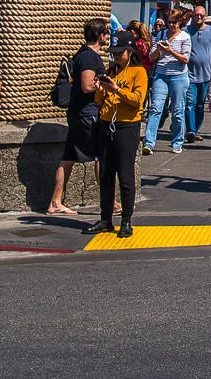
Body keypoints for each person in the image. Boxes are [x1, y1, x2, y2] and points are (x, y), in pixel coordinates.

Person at [50, 20, 108, 216]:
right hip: (88, 114)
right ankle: (110, 201)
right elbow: (87, 86)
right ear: (101, 36)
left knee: (68, 157)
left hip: (77, 113)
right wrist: (107, 86)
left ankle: (55, 201)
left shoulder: (81, 54)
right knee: (102, 156)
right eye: (106, 34)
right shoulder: (90, 57)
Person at [93, 40, 147, 236]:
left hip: (127, 125)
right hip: (107, 122)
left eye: (119, 53)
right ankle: (105, 218)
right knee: (106, 174)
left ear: (129, 51)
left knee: (125, 175)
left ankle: (126, 219)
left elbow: (137, 100)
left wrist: (117, 89)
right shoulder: (112, 71)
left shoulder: (138, 72)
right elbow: (99, 101)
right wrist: (101, 90)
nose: (116, 57)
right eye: (113, 53)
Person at [143, 12, 191, 154]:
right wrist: (158, 49)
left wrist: (170, 51)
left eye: (174, 23)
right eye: (169, 22)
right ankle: (149, 142)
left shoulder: (185, 37)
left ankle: (177, 142)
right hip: (161, 75)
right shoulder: (161, 35)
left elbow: (185, 59)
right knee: (155, 108)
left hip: (179, 76)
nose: (171, 25)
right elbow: (151, 57)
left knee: (177, 110)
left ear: (179, 23)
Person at [186, 5, 211, 140]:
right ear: (193, 16)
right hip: (189, 74)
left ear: (205, 16)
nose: (198, 17)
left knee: (200, 105)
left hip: (205, 75)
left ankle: (196, 129)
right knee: (190, 103)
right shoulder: (186, 31)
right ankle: (191, 130)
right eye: (196, 15)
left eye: (201, 15)